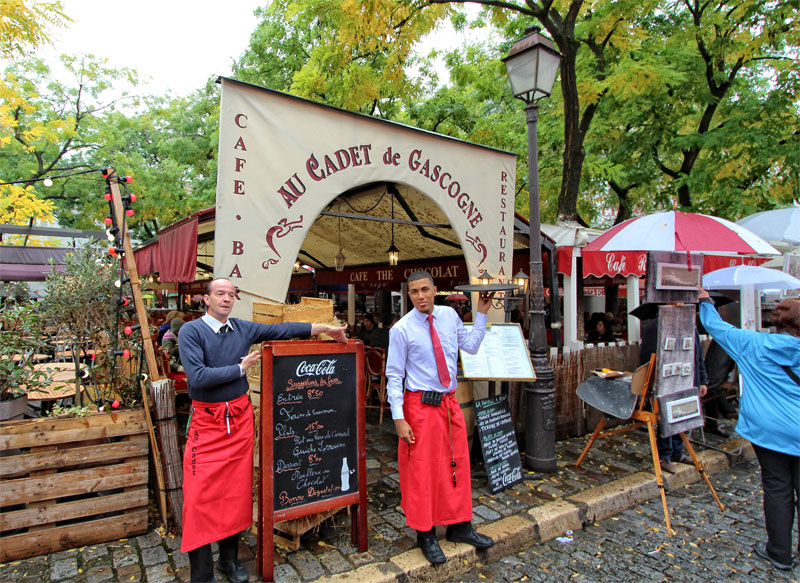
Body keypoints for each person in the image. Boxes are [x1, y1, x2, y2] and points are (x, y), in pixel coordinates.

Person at [179, 278, 347, 582]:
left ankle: (228, 561)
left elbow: (284, 330)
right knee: (198, 499)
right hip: (208, 424)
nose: (227, 299)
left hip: (240, 421)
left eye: (231, 295)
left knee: (235, 493)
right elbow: (198, 377)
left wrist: (325, 329)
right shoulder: (191, 331)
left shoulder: (242, 328)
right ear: (205, 299)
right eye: (220, 294)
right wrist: (239, 369)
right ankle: (201, 572)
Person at [385, 271, 495, 565]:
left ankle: (460, 526)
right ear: (409, 296)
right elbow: (394, 376)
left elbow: (470, 346)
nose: (420, 296)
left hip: (449, 404)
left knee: (456, 465)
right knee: (422, 472)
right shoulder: (402, 330)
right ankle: (426, 534)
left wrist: (481, 313)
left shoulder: (449, 316)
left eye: (425, 290)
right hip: (419, 406)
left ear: (435, 290)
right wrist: (398, 418)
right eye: (414, 292)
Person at [698, 289, 799, 572]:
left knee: (778, 487)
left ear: (776, 322)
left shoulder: (753, 344)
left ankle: (780, 552)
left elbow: (717, 328)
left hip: (771, 430)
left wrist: (705, 301)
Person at [640, 315, 708, 473]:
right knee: (666, 418)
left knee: (682, 415)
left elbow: (697, 354)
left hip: (688, 378)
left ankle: (678, 451)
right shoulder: (656, 326)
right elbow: (648, 357)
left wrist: (702, 379)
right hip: (666, 380)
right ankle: (665, 455)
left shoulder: (690, 324)